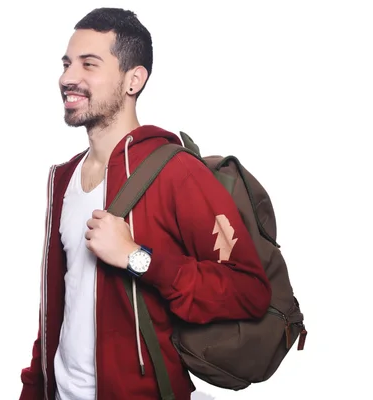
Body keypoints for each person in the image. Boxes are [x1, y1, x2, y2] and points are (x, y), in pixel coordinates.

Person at [19, 7, 272, 400]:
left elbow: (251, 291)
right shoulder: (62, 178)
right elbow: (55, 306)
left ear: (133, 80)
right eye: (67, 64)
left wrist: (138, 258)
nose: (68, 78)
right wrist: (34, 389)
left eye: (89, 64)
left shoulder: (176, 173)